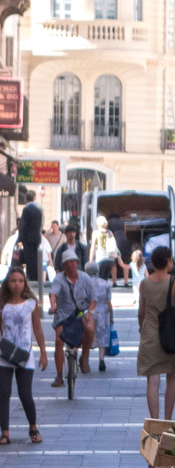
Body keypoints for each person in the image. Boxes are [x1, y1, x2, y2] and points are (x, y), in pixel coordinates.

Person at [137, 246, 175, 420]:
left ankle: (154, 420)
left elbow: (141, 312)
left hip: (150, 334)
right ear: (167, 261)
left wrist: (141, 329)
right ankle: (167, 419)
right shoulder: (174, 281)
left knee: (153, 379)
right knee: (172, 377)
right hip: (171, 335)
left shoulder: (144, 283)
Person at [0, 267, 45, 443]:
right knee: (3, 393)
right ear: (7, 283)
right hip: (4, 355)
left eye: (20, 281)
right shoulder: (2, 304)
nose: (17, 284)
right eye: (13, 281)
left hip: (25, 354)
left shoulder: (31, 304)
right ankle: (5, 432)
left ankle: (33, 428)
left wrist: (43, 352)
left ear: (24, 283)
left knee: (25, 393)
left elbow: (37, 329)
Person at [48, 248, 100, 386]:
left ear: (77, 263)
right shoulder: (59, 279)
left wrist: (89, 312)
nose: (71, 265)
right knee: (59, 341)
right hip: (63, 312)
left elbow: (93, 299)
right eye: (68, 262)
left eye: (73, 262)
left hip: (80, 311)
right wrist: (53, 305)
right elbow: (53, 293)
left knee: (89, 326)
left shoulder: (85, 278)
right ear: (64, 265)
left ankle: (85, 356)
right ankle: (59, 376)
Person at [15, 190, 41, 284]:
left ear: (26, 199)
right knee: (35, 259)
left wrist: (20, 239)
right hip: (36, 240)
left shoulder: (26, 210)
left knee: (29, 260)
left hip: (28, 240)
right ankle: (35, 278)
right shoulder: (39, 210)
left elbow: (23, 226)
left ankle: (30, 277)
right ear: (34, 198)